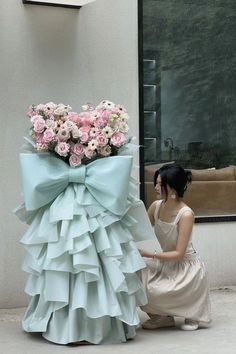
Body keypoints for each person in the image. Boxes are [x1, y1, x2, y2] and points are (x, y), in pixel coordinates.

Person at [139, 163, 211, 331]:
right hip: (165, 262)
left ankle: (193, 312)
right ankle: (162, 317)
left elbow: (179, 254)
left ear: (171, 187)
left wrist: (149, 254)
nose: (155, 187)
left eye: (159, 184)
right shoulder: (156, 207)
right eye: (155, 182)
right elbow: (139, 230)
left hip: (187, 268)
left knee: (156, 289)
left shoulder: (186, 214)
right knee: (136, 275)